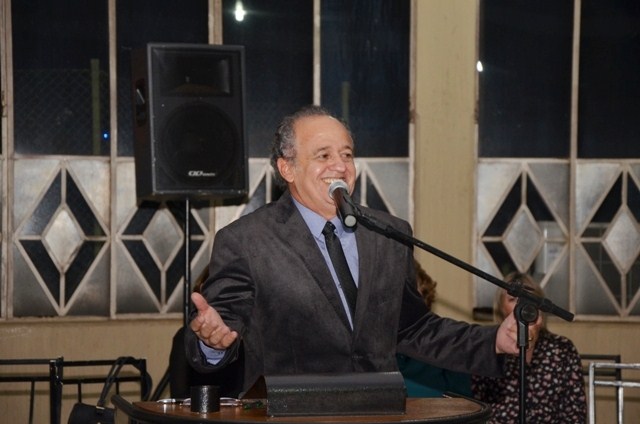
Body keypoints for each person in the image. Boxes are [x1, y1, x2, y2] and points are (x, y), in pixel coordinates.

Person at [185, 104, 535, 395]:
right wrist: (212, 342)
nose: (340, 166)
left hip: (378, 410)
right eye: (323, 155)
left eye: (347, 155)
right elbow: (222, 325)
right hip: (290, 414)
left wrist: (493, 341)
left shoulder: (388, 234)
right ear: (287, 168)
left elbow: (414, 329)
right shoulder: (247, 240)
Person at [471, 272, 587, 423]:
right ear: (501, 308)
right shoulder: (491, 348)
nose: (522, 305)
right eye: (513, 299)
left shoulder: (562, 348)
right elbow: (478, 407)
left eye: (529, 298)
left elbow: (575, 412)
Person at [397, 259, 472, 397]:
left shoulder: (445, 341)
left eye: (410, 288)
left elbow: (463, 401)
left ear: (423, 292)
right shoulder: (369, 344)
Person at [167, 267, 244, 398]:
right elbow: (179, 396)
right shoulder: (186, 337)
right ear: (203, 290)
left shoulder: (256, 337)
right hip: (200, 409)